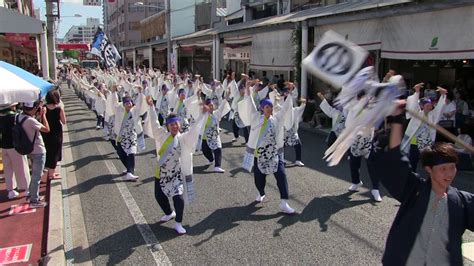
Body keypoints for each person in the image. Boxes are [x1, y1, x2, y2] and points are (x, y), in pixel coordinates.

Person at [373, 101, 474, 266]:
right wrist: (397, 119)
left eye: (452, 168)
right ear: (429, 169)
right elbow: (395, 159)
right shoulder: (413, 190)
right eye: (443, 169)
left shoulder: (462, 202)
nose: (449, 174)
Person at [144, 96, 209, 234]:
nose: (174, 126)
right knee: (159, 196)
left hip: (176, 174)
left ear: (179, 125)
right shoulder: (161, 135)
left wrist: (203, 115)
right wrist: (150, 107)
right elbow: (155, 122)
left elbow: (194, 130)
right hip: (161, 173)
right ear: (167, 126)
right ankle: (169, 213)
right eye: (171, 124)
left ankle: (178, 223)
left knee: (178, 198)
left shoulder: (183, 138)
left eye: (176, 124)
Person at [239, 80, 296, 214]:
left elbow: (286, 108)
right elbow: (249, 103)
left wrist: (291, 93)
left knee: (281, 176)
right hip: (259, 156)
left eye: (270, 107)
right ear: (262, 109)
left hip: (274, 155)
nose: (269, 109)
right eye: (266, 107)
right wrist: (248, 88)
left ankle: (284, 202)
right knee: (259, 179)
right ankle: (261, 192)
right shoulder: (255, 118)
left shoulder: (276, 119)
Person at [402, 84, 447, 172]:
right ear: (422, 106)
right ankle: (412, 177)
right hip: (415, 141)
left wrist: (443, 95)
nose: (429, 107)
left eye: (430, 105)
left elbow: (439, 109)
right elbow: (413, 105)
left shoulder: (432, 115)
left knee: (429, 163)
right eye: (427, 105)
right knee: (413, 162)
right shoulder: (416, 113)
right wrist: (417, 92)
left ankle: (431, 178)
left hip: (427, 142)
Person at [110, 86, 147, 181]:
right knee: (121, 153)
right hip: (121, 136)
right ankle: (129, 168)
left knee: (131, 152)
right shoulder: (119, 109)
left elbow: (140, 103)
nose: (128, 105)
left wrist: (140, 91)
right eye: (126, 103)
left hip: (131, 136)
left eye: (130, 103)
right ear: (123, 104)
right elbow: (113, 103)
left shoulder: (135, 110)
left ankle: (130, 173)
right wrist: (114, 92)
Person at [21, 101, 50, 208]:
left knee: (34, 174)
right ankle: (34, 201)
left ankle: (32, 195)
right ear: (33, 109)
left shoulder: (20, 117)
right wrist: (44, 115)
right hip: (38, 150)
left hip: (29, 149)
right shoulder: (31, 121)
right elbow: (47, 129)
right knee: (36, 176)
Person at [0, 103, 30, 199]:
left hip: (4, 146)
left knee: (8, 169)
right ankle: (26, 189)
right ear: (11, 106)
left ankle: (11, 190)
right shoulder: (15, 117)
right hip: (16, 146)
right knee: (22, 167)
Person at [200, 98, 230, 173]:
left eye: (212, 105)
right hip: (206, 137)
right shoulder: (203, 115)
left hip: (215, 136)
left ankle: (217, 166)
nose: (211, 107)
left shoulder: (216, 113)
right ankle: (211, 159)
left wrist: (226, 97)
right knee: (205, 151)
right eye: (209, 105)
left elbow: (222, 107)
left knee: (218, 150)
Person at [41, 90, 66, 179]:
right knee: (55, 152)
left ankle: (51, 171)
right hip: (56, 132)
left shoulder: (43, 107)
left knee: (48, 150)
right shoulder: (59, 108)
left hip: (46, 131)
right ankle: (51, 174)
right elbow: (64, 121)